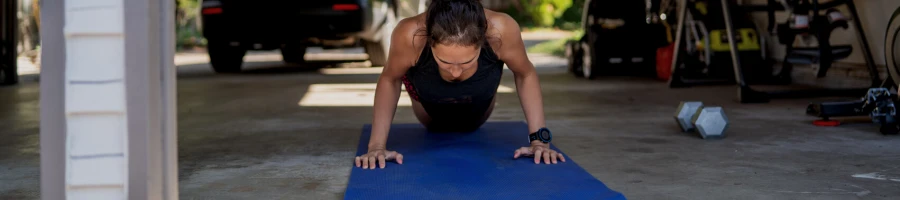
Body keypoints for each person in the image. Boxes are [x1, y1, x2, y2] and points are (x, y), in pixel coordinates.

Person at [354, 0, 565, 169]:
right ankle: (423, 73)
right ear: (429, 39)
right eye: (445, 62)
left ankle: (478, 68)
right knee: (401, 70)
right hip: (429, 113)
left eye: (466, 62)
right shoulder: (410, 33)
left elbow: (525, 74)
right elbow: (390, 79)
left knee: (494, 72)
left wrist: (539, 141)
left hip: (479, 111)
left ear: (483, 39)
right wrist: (376, 146)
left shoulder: (501, 29)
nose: (455, 72)